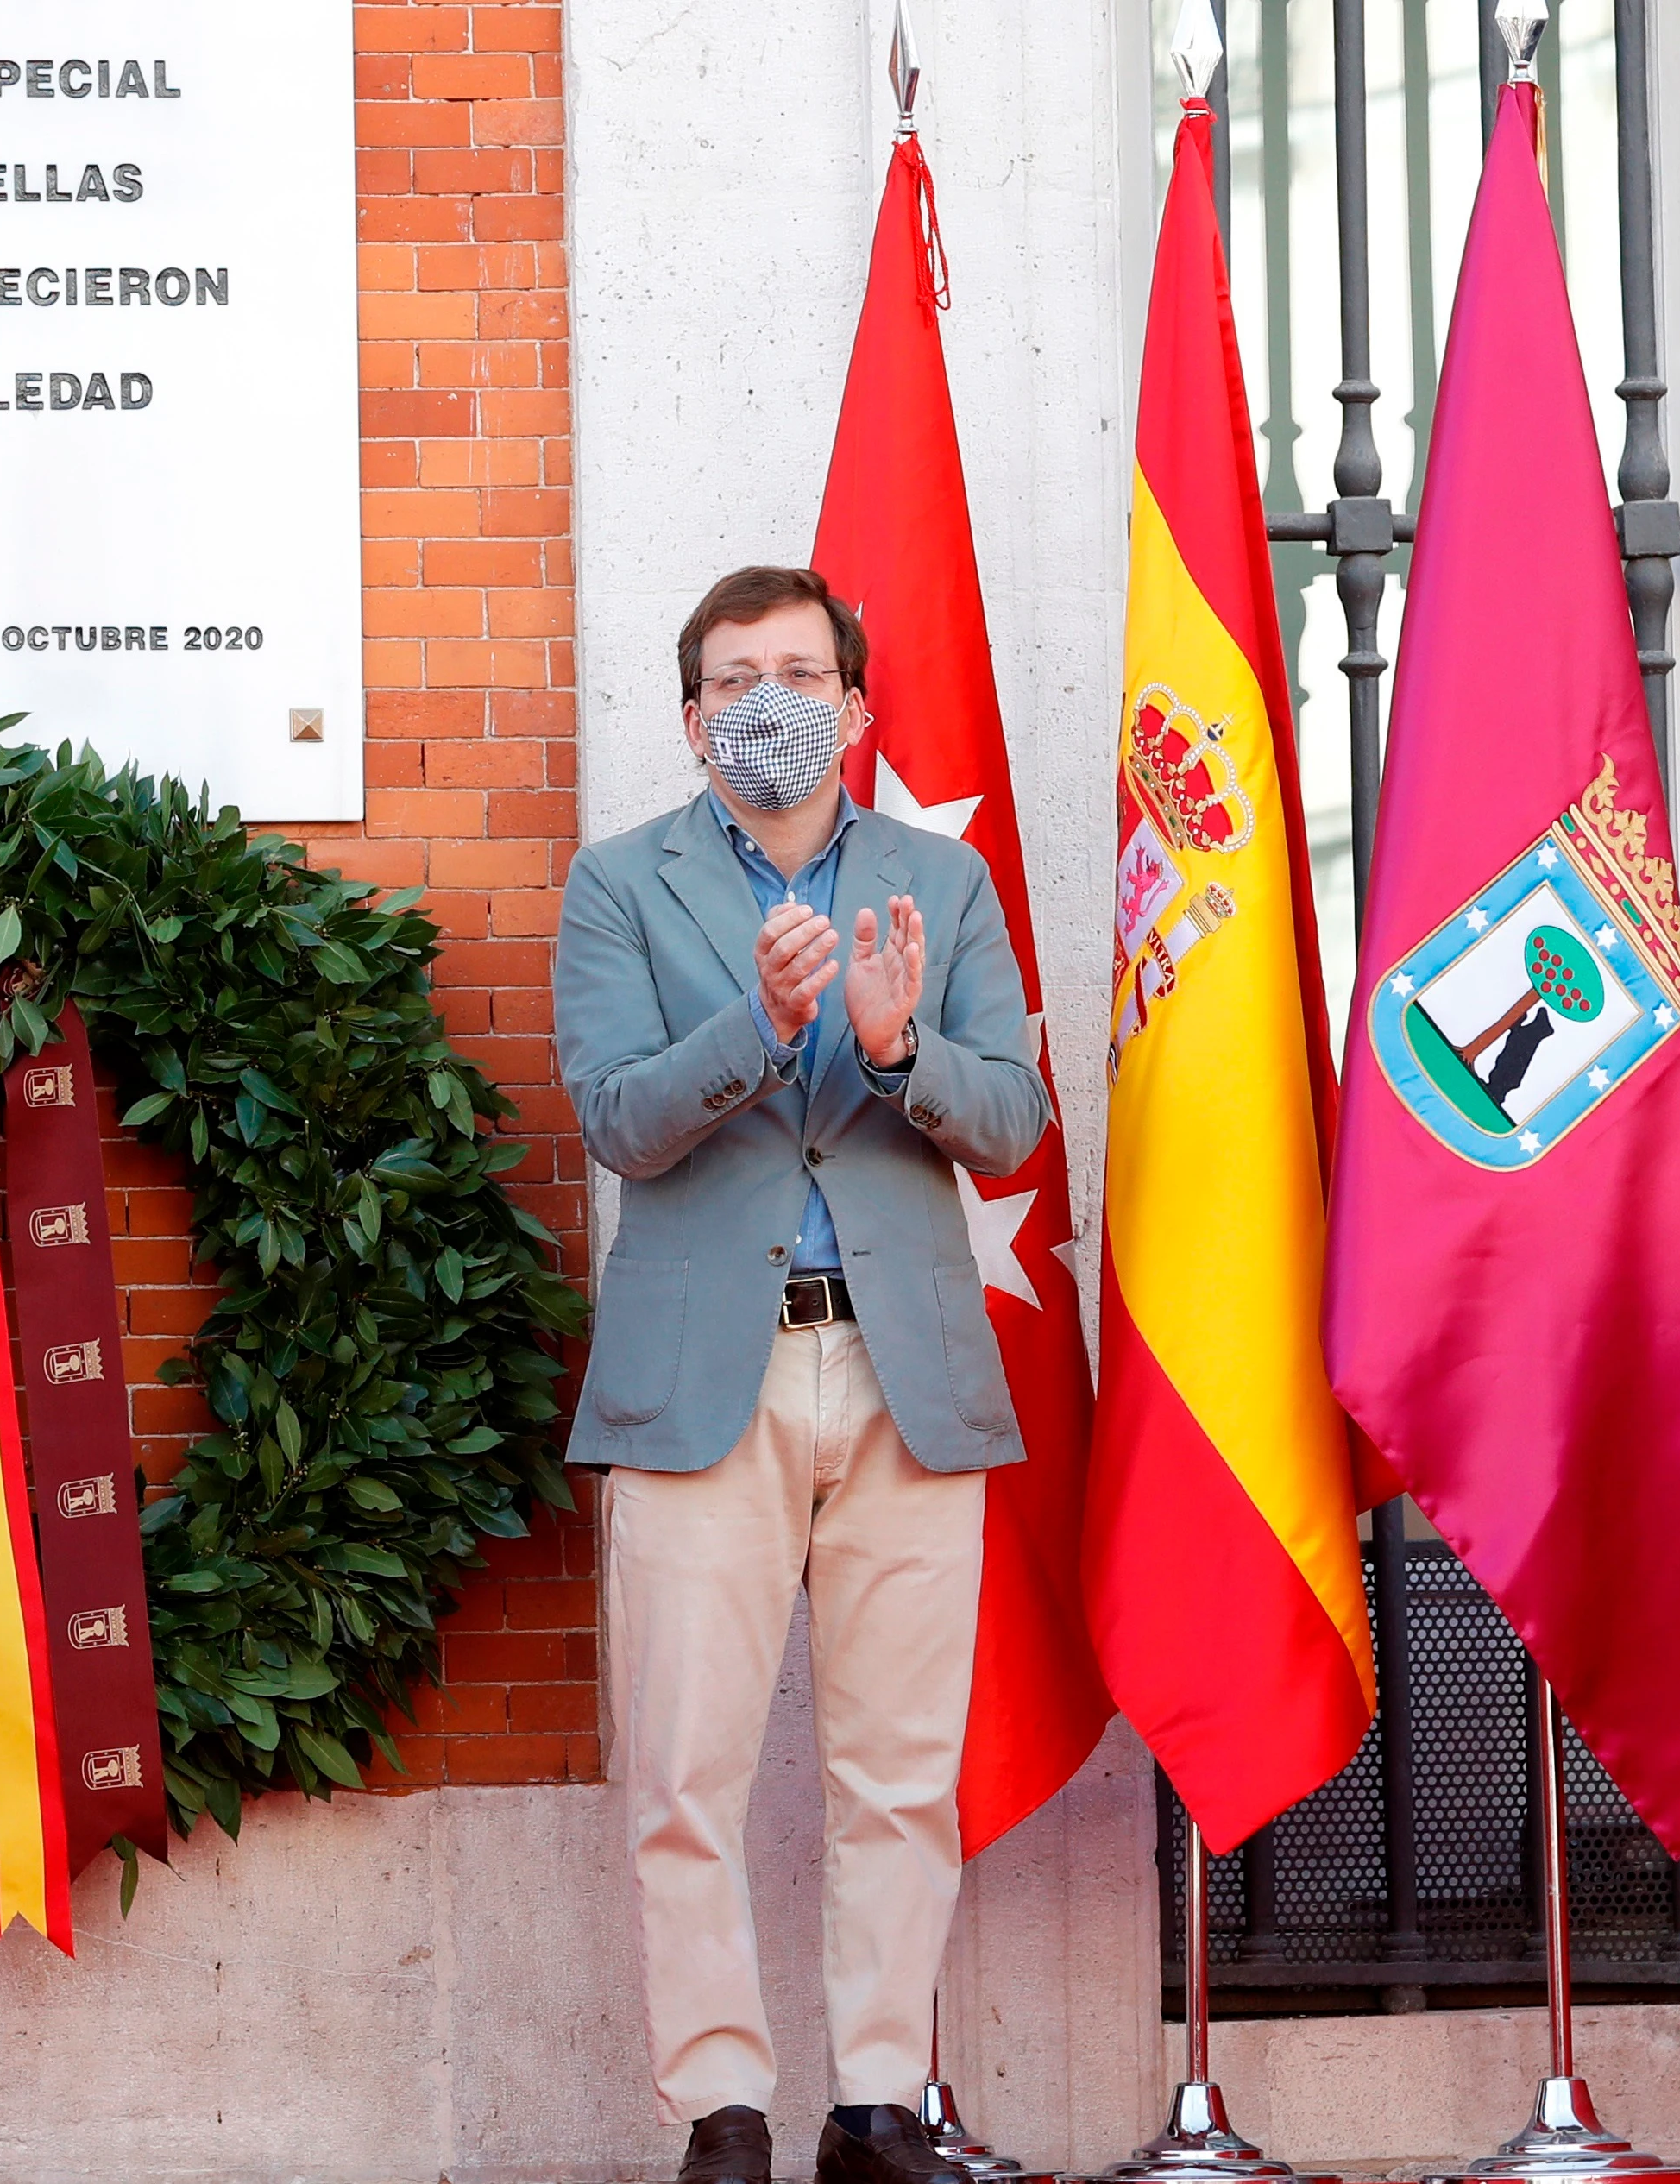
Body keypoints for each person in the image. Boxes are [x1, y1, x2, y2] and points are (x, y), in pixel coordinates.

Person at [552, 567, 1053, 2184]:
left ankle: (879, 2102)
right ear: (693, 716)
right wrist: (762, 1027)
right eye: (734, 678)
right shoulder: (619, 884)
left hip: (904, 1366)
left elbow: (1017, 1121)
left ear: (856, 700)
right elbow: (621, 1119)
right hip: (708, 1377)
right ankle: (721, 2108)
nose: (770, 700)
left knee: (899, 1769)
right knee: (687, 1767)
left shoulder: (942, 880)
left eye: (800, 671)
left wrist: (900, 1051)